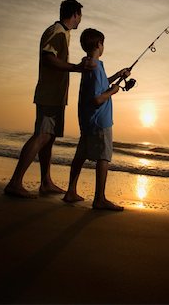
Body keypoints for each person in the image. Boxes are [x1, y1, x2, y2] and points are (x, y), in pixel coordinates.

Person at [4, 0, 95, 198]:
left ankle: (46, 182)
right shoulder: (57, 31)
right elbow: (48, 58)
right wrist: (76, 67)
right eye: (80, 15)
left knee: (49, 137)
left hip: (55, 94)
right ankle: (15, 182)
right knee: (42, 135)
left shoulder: (63, 33)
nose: (81, 20)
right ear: (75, 14)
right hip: (49, 93)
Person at [63, 28, 130, 211]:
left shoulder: (94, 66)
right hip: (100, 120)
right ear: (99, 45)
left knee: (81, 155)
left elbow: (101, 84)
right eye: (103, 43)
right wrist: (113, 92)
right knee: (103, 157)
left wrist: (118, 76)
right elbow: (97, 98)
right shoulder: (93, 65)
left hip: (87, 120)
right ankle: (99, 198)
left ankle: (71, 191)